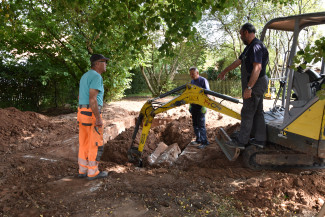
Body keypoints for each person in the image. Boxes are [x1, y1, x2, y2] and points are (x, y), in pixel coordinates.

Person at [217, 23, 269, 149]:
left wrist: (249, 88)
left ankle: (242, 142)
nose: (240, 36)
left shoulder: (256, 46)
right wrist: (225, 71)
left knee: (247, 112)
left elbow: (257, 68)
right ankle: (259, 140)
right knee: (257, 112)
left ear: (246, 32)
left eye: (240, 34)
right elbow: (239, 61)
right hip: (258, 83)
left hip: (256, 84)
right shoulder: (250, 47)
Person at [77, 54, 109, 180]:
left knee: (84, 142)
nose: (106, 64)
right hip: (91, 113)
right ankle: (93, 172)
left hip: (82, 112)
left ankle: (82, 170)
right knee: (95, 143)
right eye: (104, 62)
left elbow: (80, 97)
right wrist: (98, 118)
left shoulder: (85, 76)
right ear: (97, 64)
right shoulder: (96, 77)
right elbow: (92, 99)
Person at [189, 67, 210, 149]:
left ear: (197, 73)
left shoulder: (203, 80)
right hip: (194, 106)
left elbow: (208, 93)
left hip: (201, 106)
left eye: (193, 74)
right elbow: (190, 94)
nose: (191, 75)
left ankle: (205, 142)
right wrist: (190, 105)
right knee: (195, 124)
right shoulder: (192, 81)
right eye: (190, 74)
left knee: (201, 125)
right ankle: (198, 139)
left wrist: (204, 105)